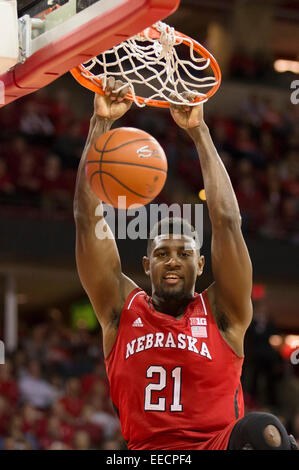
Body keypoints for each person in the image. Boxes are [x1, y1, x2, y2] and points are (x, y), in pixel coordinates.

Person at [73, 77, 297, 450]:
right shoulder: (120, 309)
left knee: (266, 434)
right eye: (162, 254)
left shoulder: (222, 311)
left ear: (201, 263)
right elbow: (86, 218)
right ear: (146, 265)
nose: (173, 261)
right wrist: (100, 125)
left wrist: (199, 132)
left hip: (215, 445)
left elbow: (227, 221)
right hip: (149, 451)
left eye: (184, 254)